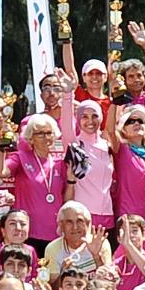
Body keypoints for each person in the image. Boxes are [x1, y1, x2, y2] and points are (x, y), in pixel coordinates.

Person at [0, 113, 67, 254]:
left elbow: (66, 196)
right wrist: (1, 148)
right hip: (28, 233)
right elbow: (0, 172)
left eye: (49, 133)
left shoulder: (60, 162)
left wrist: (71, 180)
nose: (46, 137)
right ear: (31, 138)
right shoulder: (21, 157)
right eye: (40, 134)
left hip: (55, 233)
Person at [61, 97, 115, 233]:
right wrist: (67, 94)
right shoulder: (75, 144)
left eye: (94, 116)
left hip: (107, 214)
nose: (90, 121)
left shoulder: (107, 145)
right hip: (82, 215)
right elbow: (66, 124)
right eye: (84, 116)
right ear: (78, 119)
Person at [42, 202, 112, 278]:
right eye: (69, 222)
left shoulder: (100, 243)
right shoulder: (52, 248)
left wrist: (96, 257)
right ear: (61, 225)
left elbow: (108, 280)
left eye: (80, 221)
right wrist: (63, 272)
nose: (75, 227)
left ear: (88, 223)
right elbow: (53, 284)